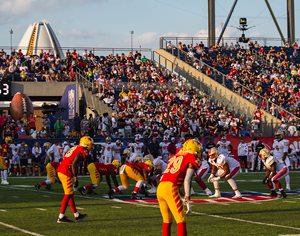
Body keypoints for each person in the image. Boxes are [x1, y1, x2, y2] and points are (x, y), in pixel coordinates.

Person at [157, 139, 202, 236]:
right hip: (170, 187)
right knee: (181, 220)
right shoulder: (191, 157)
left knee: (167, 220)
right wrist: (187, 198)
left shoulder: (176, 155)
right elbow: (187, 180)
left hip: (160, 187)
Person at [56, 135, 93, 223]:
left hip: (62, 170)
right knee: (68, 194)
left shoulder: (76, 147)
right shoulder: (81, 151)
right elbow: (74, 164)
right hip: (66, 172)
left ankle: (76, 215)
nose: (92, 146)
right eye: (91, 144)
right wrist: (75, 177)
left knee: (70, 193)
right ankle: (61, 217)